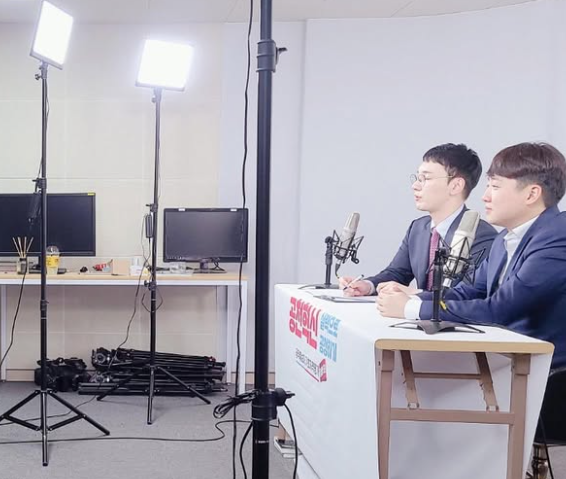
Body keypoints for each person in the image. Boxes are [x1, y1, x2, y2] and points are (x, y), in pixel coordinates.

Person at [377, 142, 566, 368]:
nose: (485, 196)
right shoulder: (504, 238)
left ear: (531, 194)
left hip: (545, 372)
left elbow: (500, 309)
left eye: (495, 186)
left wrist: (411, 309)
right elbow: (469, 291)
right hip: (508, 361)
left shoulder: (557, 237)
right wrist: (412, 299)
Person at [339, 143, 497, 296]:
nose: (415, 185)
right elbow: (397, 273)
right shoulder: (418, 227)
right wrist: (368, 286)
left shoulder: (481, 236)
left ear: (455, 186)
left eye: (425, 178)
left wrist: (416, 294)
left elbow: (468, 294)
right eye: (417, 178)